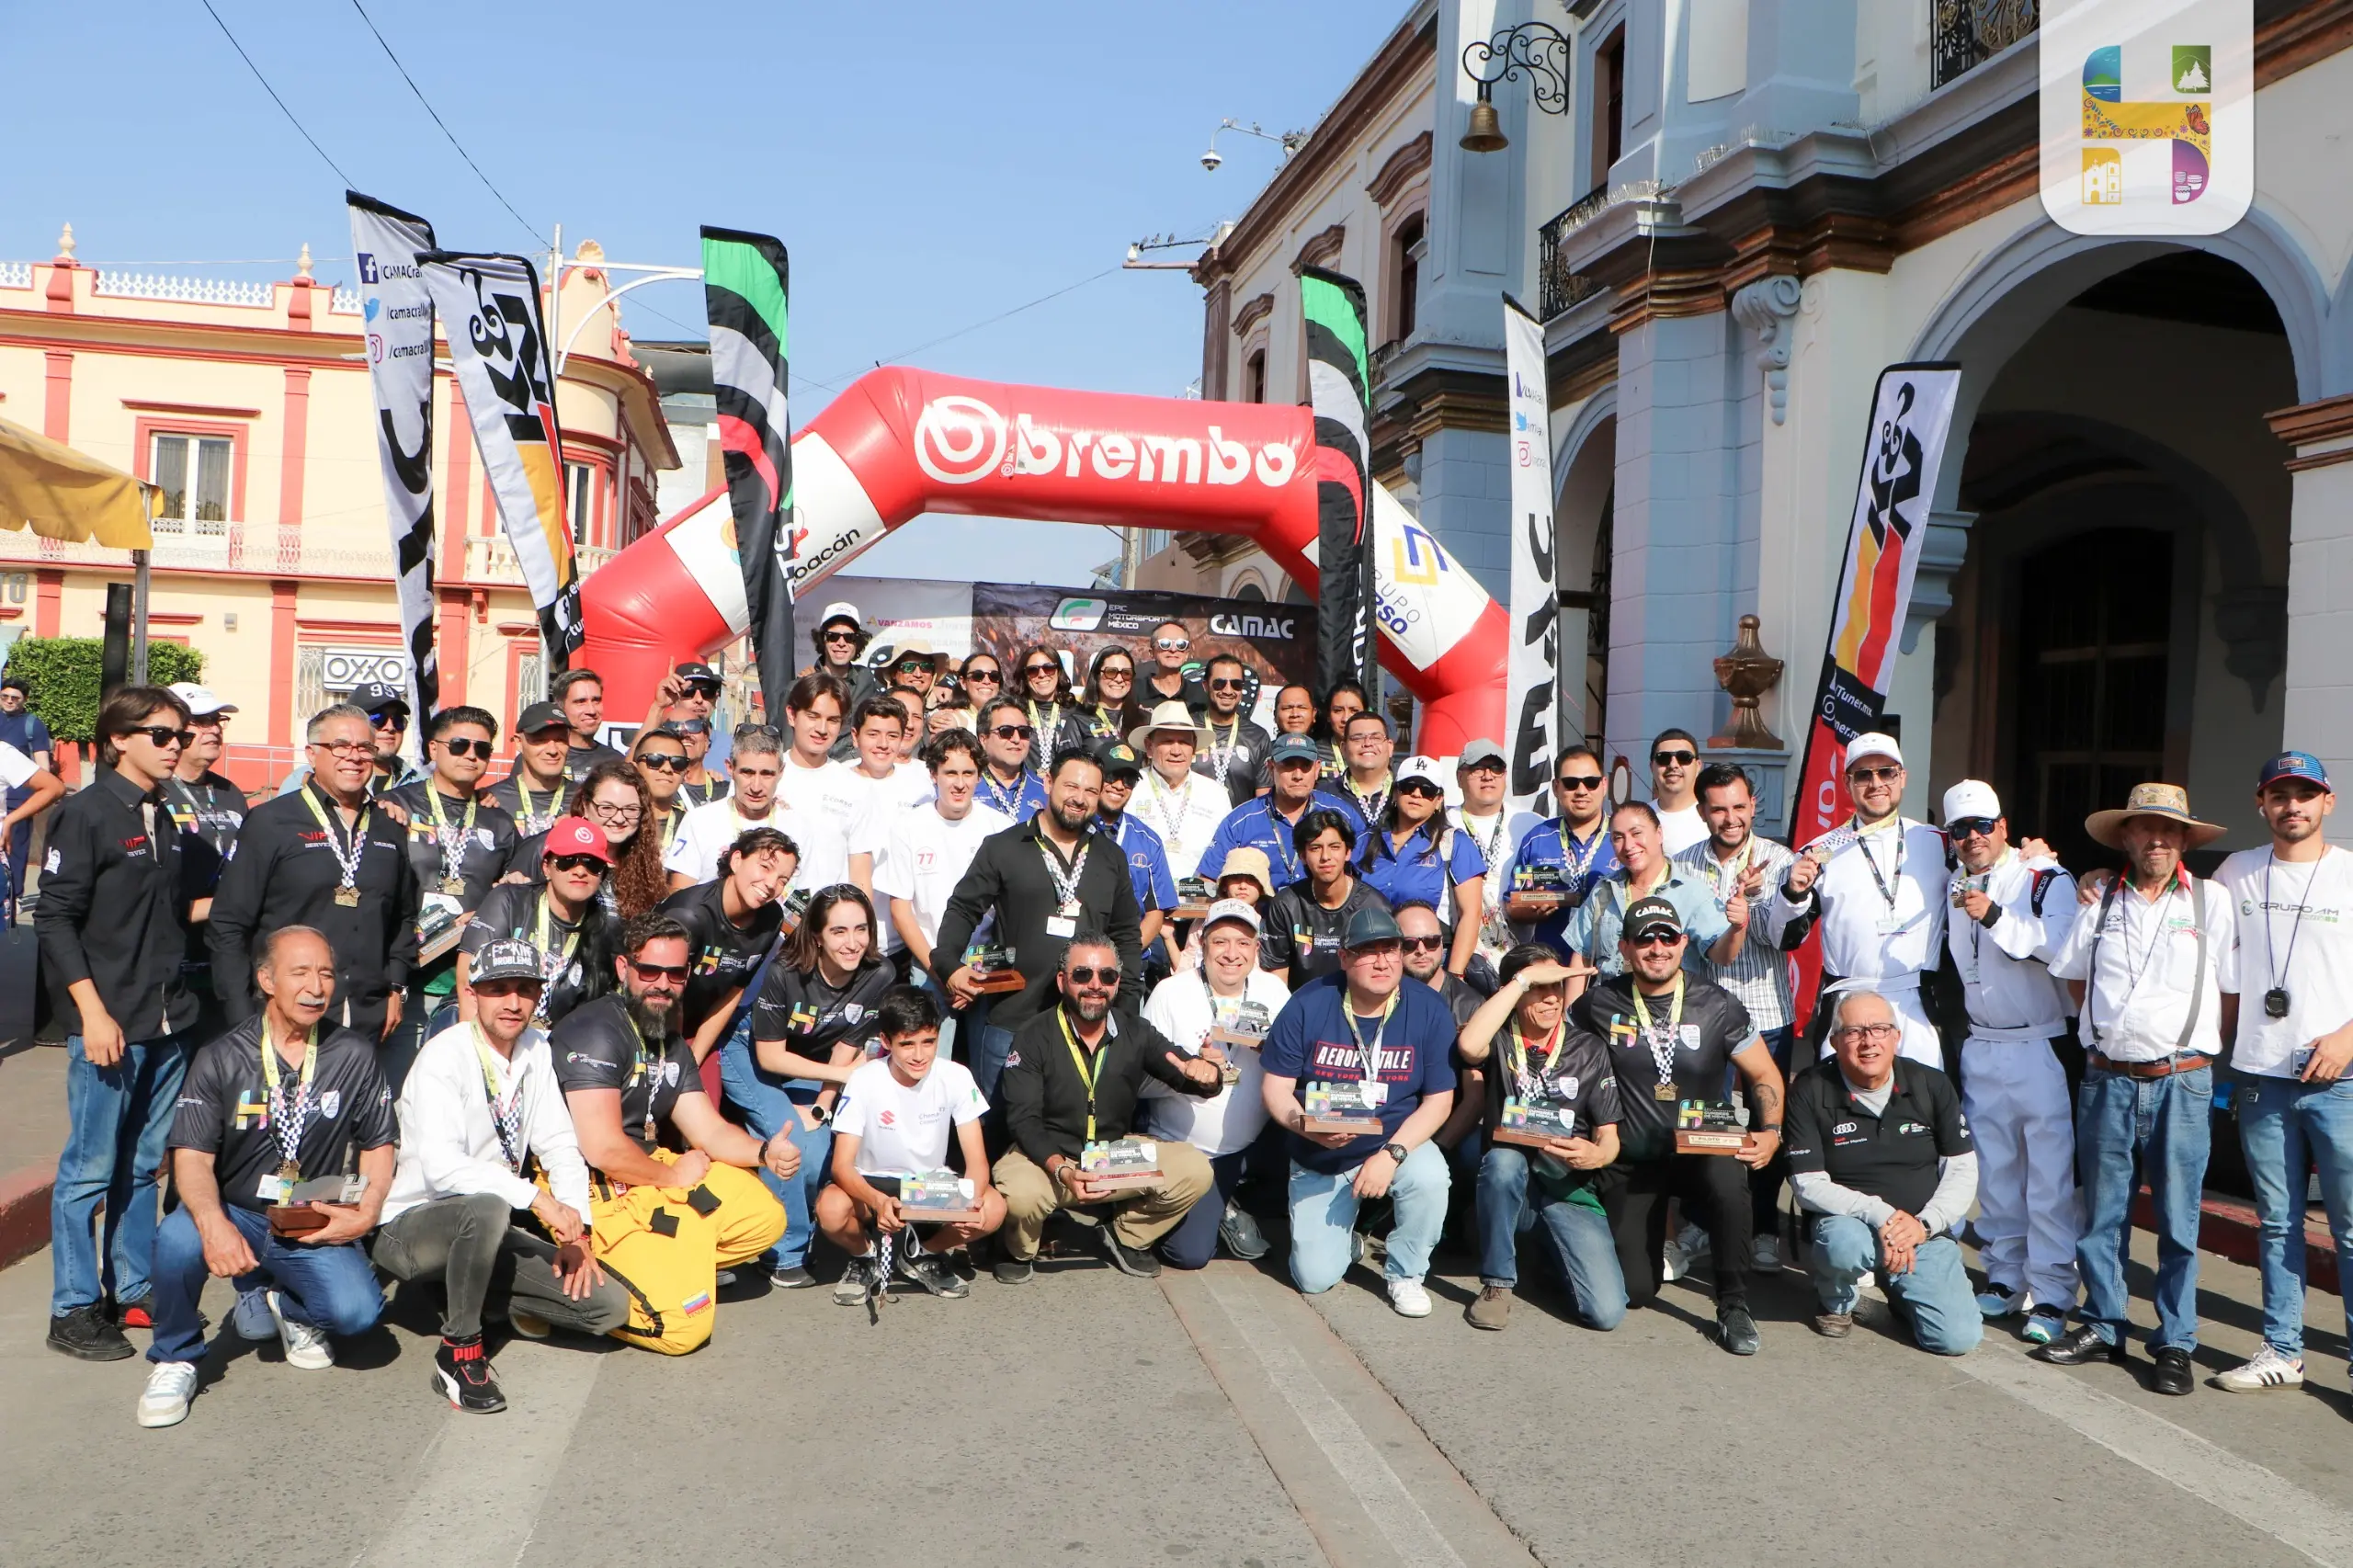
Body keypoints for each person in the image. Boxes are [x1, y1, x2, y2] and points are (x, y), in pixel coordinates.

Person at [135, 926, 396, 1427]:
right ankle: (176, 1356)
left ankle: (288, 1305)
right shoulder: (222, 1056)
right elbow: (191, 1156)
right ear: (266, 979)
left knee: (357, 1315)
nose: (316, 987)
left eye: (325, 973)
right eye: (299, 972)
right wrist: (214, 1226)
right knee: (176, 1239)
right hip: (235, 1207)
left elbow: (379, 1145)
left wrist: (368, 1212)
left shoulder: (353, 1055)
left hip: (308, 1213)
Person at [2034, 783, 2230, 1396]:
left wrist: (2198, 1047)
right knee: (2103, 1214)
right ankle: (2104, 1321)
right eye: (2145, 828)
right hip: (2109, 1079)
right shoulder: (2099, 899)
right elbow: (2074, 980)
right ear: (2126, 836)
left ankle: (2174, 1341)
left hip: (2183, 1079)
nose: (2157, 839)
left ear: (2185, 840)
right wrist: (2104, 1035)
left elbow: (2233, 989)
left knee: (2178, 1220)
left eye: (2169, 830)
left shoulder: (2213, 903)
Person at [377, 937, 629, 1410]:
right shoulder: (443, 1056)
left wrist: (578, 1230)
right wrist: (537, 1200)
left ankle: (471, 1293)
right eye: (499, 989)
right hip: (412, 1227)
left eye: (526, 990)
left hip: (488, 1224)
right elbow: (442, 1166)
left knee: (606, 1308)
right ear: (473, 994)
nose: (513, 1003)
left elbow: (558, 1143)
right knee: (488, 1206)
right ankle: (459, 1352)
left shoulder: (535, 1048)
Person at [38, 687, 199, 1359]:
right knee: (89, 1170)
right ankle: (73, 1308)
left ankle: (130, 1289)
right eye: (161, 734)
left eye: (180, 736)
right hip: (109, 1027)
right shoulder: (87, 813)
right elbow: (53, 917)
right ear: (118, 740)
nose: (174, 746)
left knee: (140, 1167)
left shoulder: (163, 813)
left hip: (167, 1022)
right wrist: (92, 1012)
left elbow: (164, 916)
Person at [551, 912, 796, 1354]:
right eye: (649, 970)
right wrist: (672, 1178)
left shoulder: (668, 1037)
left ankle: (667, 1260)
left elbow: (708, 1130)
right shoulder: (596, 1031)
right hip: (590, 1184)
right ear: (625, 969)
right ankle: (558, 1295)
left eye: (675, 972)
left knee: (766, 1217)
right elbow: (603, 1148)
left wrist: (765, 1152)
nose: (662, 983)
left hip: (648, 1172)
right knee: (683, 1330)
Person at [1575, 896, 1783, 1356]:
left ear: (1682, 942)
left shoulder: (1718, 1004)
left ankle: (1732, 1303)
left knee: (1731, 1179)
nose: (1657, 948)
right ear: (1626, 947)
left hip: (1701, 1149)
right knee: (1636, 1291)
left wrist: (1770, 1132)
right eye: (1645, 939)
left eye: (1667, 937)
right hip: (1632, 1160)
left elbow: (1764, 1074)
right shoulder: (1598, 1003)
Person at [2211, 752, 2353, 1394]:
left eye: (2305, 794)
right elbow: (2181, 914)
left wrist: (2350, 1039)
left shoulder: (2349, 875)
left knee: (2350, 1228)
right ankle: (2283, 1350)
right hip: (2262, 1076)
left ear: (2328, 803)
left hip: (2339, 1080)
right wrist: (2096, 877)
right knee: (2277, 1221)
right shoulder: (2237, 872)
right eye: (2279, 795)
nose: (2291, 806)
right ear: (2261, 805)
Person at [1936, 779, 2081, 1342]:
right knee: (1995, 1172)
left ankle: (2050, 1293)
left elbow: (2063, 950)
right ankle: (2004, 1277)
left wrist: (1997, 915)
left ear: (2002, 826)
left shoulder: (2044, 879)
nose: (1971, 838)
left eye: (1981, 826)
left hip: (2040, 1041)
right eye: (1960, 830)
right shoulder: (1954, 880)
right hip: (1982, 1042)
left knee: (2048, 1178)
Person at [1260, 905, 1458, 1314]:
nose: (1382, 960)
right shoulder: (1307, 1004)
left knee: (1431, 1177)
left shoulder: (1429, 1008)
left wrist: (1392, 1155)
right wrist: (1303, 1126)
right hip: (1323, 1150)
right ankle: (1349, 1238)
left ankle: (1406, 1273)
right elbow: (1276, 1090)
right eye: (1368, 951)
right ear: (1345, 957)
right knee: (1313, 1279)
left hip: (1394, 1140)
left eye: (1390, 948)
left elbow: (1440, 1101)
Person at [992, 933, 1222, 1282]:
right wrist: (1062, 1170)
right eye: (1083, 975)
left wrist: (1208, 1076)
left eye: (1107, 976)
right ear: (1062, 981)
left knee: (1195, 1169)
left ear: (1117, 982)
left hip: (1111, 1157)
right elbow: (1023, 1120)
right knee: (1022, 1194)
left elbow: (1184, 1071)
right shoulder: (1033, 1035)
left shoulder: (1136, 1031)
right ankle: (1020, 1249)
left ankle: (1124, 1235)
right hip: (1048, 1159)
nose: (1095, 986)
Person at [934, 746, 1144, 1100]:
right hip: (1013, 1018)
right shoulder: (1004, 847)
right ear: (1048, 782)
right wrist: (949, 965)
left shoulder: (1111, 857)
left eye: (1091, 791)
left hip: (1086, 1020)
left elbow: (1125, 933)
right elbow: (962, 909)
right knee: (998, 1124)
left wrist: (1124, 1006)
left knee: (1072, 1123)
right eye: (1071, 787)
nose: (1080, 799)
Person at [210, 703, 419, 1047]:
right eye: (340, 746)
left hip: (367, 1015)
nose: (354, 757)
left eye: (365, 748)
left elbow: (403, 916)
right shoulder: (271, 822)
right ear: (312, 753)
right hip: (284, 1017)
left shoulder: (390, 825)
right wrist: (240, 1016)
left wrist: (396, 985)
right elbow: (229, 924)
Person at [1785, 990, 1982, 1354]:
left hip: (1920, 1229)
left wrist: (1923, 1225)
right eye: (1854, 1031)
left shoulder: (1932, 1084)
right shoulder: (1810, 1089)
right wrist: (1884, 1215)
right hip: (1851, 1224)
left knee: (1956, 1340)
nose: (1868, 1041)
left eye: (1878, 1029)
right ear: (1834, 1041)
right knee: (1843, 1246)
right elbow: (1807, 1184)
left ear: (1896, 1036)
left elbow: (1962, 1168)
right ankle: (1837, 1300)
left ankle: (1901, 1287)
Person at [1675, 762, 1803, 1273]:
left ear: (1754, 805)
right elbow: (1690, 946)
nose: (1730, 818)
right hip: (1704, 1015)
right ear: (1703, 811)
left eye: (1739, 806)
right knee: (1702, 1121)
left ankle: (1765, 1227)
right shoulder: (1682, 865)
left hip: (1766, 1012)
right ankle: (1699, 1223)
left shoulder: (1780, 860)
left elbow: (1782, 937)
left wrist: (1751, 900)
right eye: (1718, 808)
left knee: (1768, 1121)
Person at [1457, 944, 1625, 1332]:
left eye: (1558, 986)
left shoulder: (1588, 1047)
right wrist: (1521, 980)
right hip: (1511, 1179)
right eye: (1539, 987)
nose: (1551, 997)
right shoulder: (1498, 1036)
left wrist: (1596, 1156)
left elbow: (1609, 1137)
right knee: (1502, 1162)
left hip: (1566, 1187)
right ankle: (1497, 1284)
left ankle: (1546, 1253)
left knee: (1605, 1313)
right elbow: (1468, 1046)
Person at [734, 884, 896, 1287]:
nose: (853, 942)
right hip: (752, 1055)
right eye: (839, 931)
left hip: (818, 1066)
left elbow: (847, 1048)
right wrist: (844, 1079)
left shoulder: (880, 972)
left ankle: (796, 1232)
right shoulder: (784, 971)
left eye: (861, 929)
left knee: (817, 1150)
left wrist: (823, 1107)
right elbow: (771, 1057)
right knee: (784, 1138)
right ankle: (781, 1253)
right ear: (818, 936)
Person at [1774, 732, 1949, 1069]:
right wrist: (1793, 893)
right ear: (1847, 782)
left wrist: (2032, 856)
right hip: (1849, 1003)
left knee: (1923, 1110)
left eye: (1886, 772)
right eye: (1863, 775)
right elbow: (1785, 937)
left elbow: (1990, 863)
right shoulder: (1820, 851)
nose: (1876, 783)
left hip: (1917, 1004)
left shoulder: (1938, 843)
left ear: (1902, 777)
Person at [818, 985, 1005, 1303]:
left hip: (930, 1185)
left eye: (928, 1042)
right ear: (887, 1042)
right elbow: (841, 1166)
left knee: (992, 1208)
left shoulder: (956, 1076)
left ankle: (920, 1254)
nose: (919, 1056)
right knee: (830, 1208)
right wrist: (878, 1202)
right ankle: (864, 1256)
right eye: (907, 1045)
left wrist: (968, 1206)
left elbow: (977, 1162)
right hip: (872, 1183)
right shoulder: (864, 1080)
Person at [1142, 899, 1290, 1268]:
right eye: (1221, 941)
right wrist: (1188, 1074)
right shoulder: (1171, 992)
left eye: (1243, 943)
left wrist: (1269, 1051)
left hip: (1254, 1146)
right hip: (1191, 1149)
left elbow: (1300, 1066)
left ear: (1257, 948)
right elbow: (1139, 1084)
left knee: (1311, 1157)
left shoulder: (1273, 991)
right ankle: (1211, 1204)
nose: (1231, 954)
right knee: (1189, 1255)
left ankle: (1231, 1200)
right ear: (1203, 943)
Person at [383, 706, 523, 1069]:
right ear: (433, 748)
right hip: (407, 978)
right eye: (460, 745)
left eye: (483, 749)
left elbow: (516, 895)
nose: (472, 755)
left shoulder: (499, 820)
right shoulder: (396, 805)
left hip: (470, 985)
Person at [876, 729, 1015, 1006]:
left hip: (985, 968)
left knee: (982, 1050)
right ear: (933, 774)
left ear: (979, 776)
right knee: (933, 1050)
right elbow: (900, 909)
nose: (960, 784)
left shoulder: (1001, 828)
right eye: (950, 773)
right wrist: (943, 971)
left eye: (968, 773)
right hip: (929, 965)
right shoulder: (908, 827)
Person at [460, 817, 617, 1029]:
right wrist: (480, 1055)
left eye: (592, 865)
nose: (580, 871)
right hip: (486, 1027)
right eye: (567, 861)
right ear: (546, 867)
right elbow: (467, 982)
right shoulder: (509, 901)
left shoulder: (608, 928)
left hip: (552, 1042)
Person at [660, 826, 797, 1063]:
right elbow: (656, 991)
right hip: (652, 1025)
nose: (771, 883)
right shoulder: (688, 915)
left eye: (782, 879)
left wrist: (694, 1059)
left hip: (700, 1032)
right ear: (736, 860)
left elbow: (734, 991)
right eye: (765, 867)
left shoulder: (771, 918)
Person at [1559, 801, 1734, 983]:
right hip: (1610, 1005)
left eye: (1636, 833)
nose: (1628, 845)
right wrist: (1572, 1010)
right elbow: (1581, 958)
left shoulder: (1690, 892)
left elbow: (1724, 956)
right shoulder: (1604, 890)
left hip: (1669, 1006)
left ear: (1659, 834)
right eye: (1618, 838)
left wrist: (1738, 926)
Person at [160, 683, 245, 1034]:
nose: (214, 729)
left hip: (223, 960)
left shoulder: (230, 792)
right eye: (201, 720)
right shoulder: (155, 791)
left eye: (217, 720)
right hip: (171, 965)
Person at [1358, 757, 1486, 977]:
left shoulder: (1455, 843)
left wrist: (1453, 975)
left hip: (1430, 959)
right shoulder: (1365, 841)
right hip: (1372, 958)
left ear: (1438, 800)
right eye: (1409, 787)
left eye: (1426, 790)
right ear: (1396, 793)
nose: (1417, 794)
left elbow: (1471, 914)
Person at [1199, 733, 1366, 892]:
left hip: (1325, 917)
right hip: (1260, 918)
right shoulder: (1240, 821)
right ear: (1270, 768)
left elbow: (1368, 873)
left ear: (1317, 769)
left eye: (1305, 766)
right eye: (1288, 765)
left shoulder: (1343, 814)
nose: (1298, 775)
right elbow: (1208, 879)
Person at [1260, 810, 1391, 989]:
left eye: (1334, 847)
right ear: (1303, 856)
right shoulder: (1285, 905)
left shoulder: (1376, 907)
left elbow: (1384, 974)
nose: (1325, 857)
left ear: (1348, 852)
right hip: (1301, 1008)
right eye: (1315, 848)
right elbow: (1276, 980)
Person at [1508, 745, 1619, 955]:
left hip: (1609, 966)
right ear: (1556, 787)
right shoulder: (1537, 839)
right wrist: (1532, 906)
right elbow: (1513, 903)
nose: (1581, 791)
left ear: (1604, 784)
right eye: (1570, 783)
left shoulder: (1623, 836)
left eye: (1591, 782)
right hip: (1549, 964)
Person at [1448, 739, 1540, 973]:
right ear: (1460, 777)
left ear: (1505, 776)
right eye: (1477, 768)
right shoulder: (1443, 823)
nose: (1488, 776)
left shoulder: (1532, 824)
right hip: (1458, 950)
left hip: (1521, 950)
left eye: (1496, 769)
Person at [1130, 700, 1244, 883]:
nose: (1176, 751)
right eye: (1167, 741)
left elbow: (1227, 853)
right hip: (1142, 905)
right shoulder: (1131, 787)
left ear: (1194, 749)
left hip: (1200, 904)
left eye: (1183, 742)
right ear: (1149, 747)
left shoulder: (1215, 794)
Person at [1092, 740, 1178, 971]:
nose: (1119, 786)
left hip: (1129, 963)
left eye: (1128, 780)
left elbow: (1156, 911)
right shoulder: (1072, 831)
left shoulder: (1148, 840)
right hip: (1077, 962)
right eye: (1111, 776)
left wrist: (1119, 957)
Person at [1, 670, 56, 907]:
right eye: (5, 696)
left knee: (16, 850)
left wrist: (37, 799)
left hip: (19, 799)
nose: (9, 701)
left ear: (25, 699)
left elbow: (43, 767)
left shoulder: (33, 725)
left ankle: (13, 896)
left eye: (15, 697)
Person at [485, 701, 575, 838]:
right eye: (541, 740)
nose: (552, 750)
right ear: (519, 742)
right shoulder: (491, 800)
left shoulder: (586, 801)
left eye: (560, 740)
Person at [1197, 653, 1272, 808]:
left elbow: (1263, 800)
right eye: (1219, 683)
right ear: (1205, 686)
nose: (1228, 690)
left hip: (1240, 828)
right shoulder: (1188, 728)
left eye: (1236, 684)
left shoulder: (1258, 736)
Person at [1396, 900, 1483, 1028]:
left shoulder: (1470, 1005)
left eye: (1431, 941)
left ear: (1442, 943)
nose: (1421, 951)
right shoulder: (1379, 998)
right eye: (1409, 943)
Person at [970, 696, 1051, 822]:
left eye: (1023, 732)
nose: (1016, 739)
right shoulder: (966, 786)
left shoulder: (1045, 790)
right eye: (1006, 731)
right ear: (983, 739)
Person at [1059, 645, 1143, 754]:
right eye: (1111, 672)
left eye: (1126, 673)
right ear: (1097, 676)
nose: (1119, 679)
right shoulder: (1078, 721)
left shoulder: (1145, 720)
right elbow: (1066, 765)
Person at [631, 724, 694, 860]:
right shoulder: (618, 821)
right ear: (634, 769)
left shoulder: (695, 826)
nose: (667, 769)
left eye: (678, 763)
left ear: (685, 773)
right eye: (655, 760)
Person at [551, 668, 626, 782]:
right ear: (560, 708)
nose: (591, 711)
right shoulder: (544, 757)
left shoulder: (615, 760)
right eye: (581, 702)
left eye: (596, 700)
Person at [810, 600, 881, 714]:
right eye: (833, 636)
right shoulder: (805, 684)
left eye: (849, 637)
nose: (841, 643)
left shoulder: (865, 679)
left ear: (857, 642)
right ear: (822, 640)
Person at [1251, 683, 1322, 795]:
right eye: (1287, 708)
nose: (1295, 714)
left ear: (1314, 714)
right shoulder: (1262, 752)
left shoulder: (1327, 751)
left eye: (1302, 707)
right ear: (1275, 715)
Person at [1647, 728, 1708, 856]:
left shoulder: (1714, 816)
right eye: (1663, 758)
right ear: (1652, 766)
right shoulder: (1640, 818)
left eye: (1684, 757)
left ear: (1698, 766)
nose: (1673, 765)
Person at [1333, 710, 1396, 832]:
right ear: (1344, 749)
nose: (1367, 743)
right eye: (1357, 738)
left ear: (1390, 747)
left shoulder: (1408, 794)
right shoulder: (1323, 797)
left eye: (1376, 738)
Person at [1016, 643, 1073, 771]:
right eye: (1033, 670)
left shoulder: (1075, 712)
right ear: (1025, 677)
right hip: (1024, 787)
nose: (1041, 674)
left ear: (1059, 672)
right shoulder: (1015, 711)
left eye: (1049, 668)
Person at [1140, 620, 1209, 712]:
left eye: (1180, 644)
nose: (1173, 649)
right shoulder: (1136, 691)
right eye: (1165, 644)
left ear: (1186, 654)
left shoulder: (1201, 694)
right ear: (1152, 653)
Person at [674, 717, 730, 809]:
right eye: (674, 727)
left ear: (707, 743)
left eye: (694, 726)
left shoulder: (725, 792)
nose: (685, 733)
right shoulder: (655, 788)